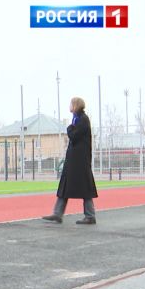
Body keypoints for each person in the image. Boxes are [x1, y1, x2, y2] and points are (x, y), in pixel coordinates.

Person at [42, 96, 98, 225]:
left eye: (71, 104)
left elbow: (73, 135)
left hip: (80, 161)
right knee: (65, 186)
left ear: (76, 105)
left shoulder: (83, 119)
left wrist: (69, 128)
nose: (69, 106)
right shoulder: (77, 118)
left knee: (85, 187)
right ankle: (57, 214)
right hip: (74, 160)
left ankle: (90, 216)